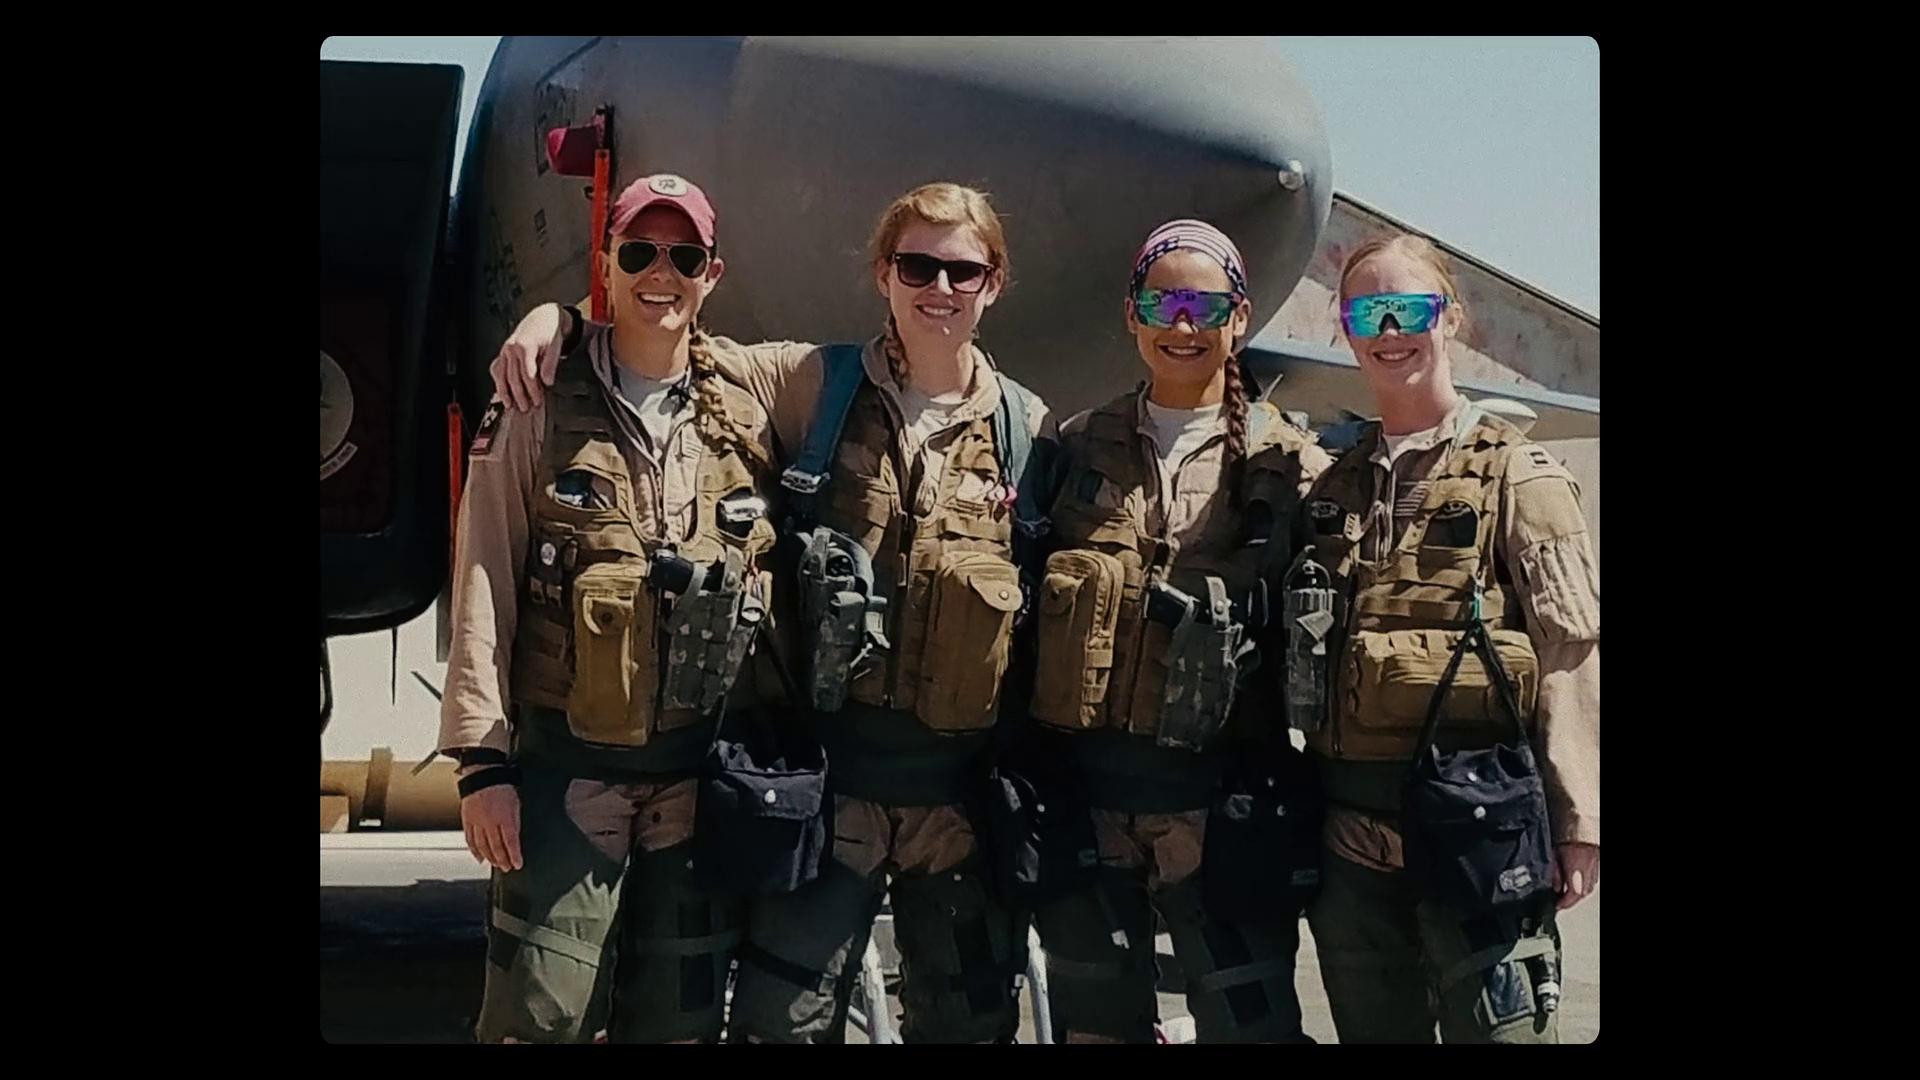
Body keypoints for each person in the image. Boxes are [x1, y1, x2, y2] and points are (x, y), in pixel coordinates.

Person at [489, 182, 1054, 1043]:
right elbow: (660, 336)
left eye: (962, 271)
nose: (939, 287)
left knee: (967, 1023)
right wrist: (555, 319)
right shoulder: (813, 385)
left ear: (994, 283)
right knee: (777, 1024)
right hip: (829, 792)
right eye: (916, 266)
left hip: (959, 802)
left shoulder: (1027, 431)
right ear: (883, 274)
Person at [440, 173, 782, 1044]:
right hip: (568, 771)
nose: (661, 273)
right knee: (542, 1016)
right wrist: (482, 765)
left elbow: (891, 363)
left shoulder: (747, 399)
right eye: (638, 253)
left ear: (712, 274)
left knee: (681, 1018)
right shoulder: (536, 398)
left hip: (697, 778)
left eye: (685, 256)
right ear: (606, 263)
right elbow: (484, 570)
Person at [1015, 219, 1330, 1044]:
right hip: (1088, 805)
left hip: (1222, 812)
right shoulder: (1076, 446)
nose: (1183, 325)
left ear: (1240, 316)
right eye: (1163, 304)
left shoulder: (1290, 465)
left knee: (1250, 1026)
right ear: (1132, 314)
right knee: (1094, 1026)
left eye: (1205, 306)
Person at [1298, 234, 1600, 1044]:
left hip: (1480, 832)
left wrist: (1578, 821)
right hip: (1352, 836)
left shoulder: (1519, 475)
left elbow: (1570, 654)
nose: (1391, 330)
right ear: (1346, 328)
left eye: (1410, 308)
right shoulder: (1331, 486)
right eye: (1369, 312)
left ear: (1452, 319)